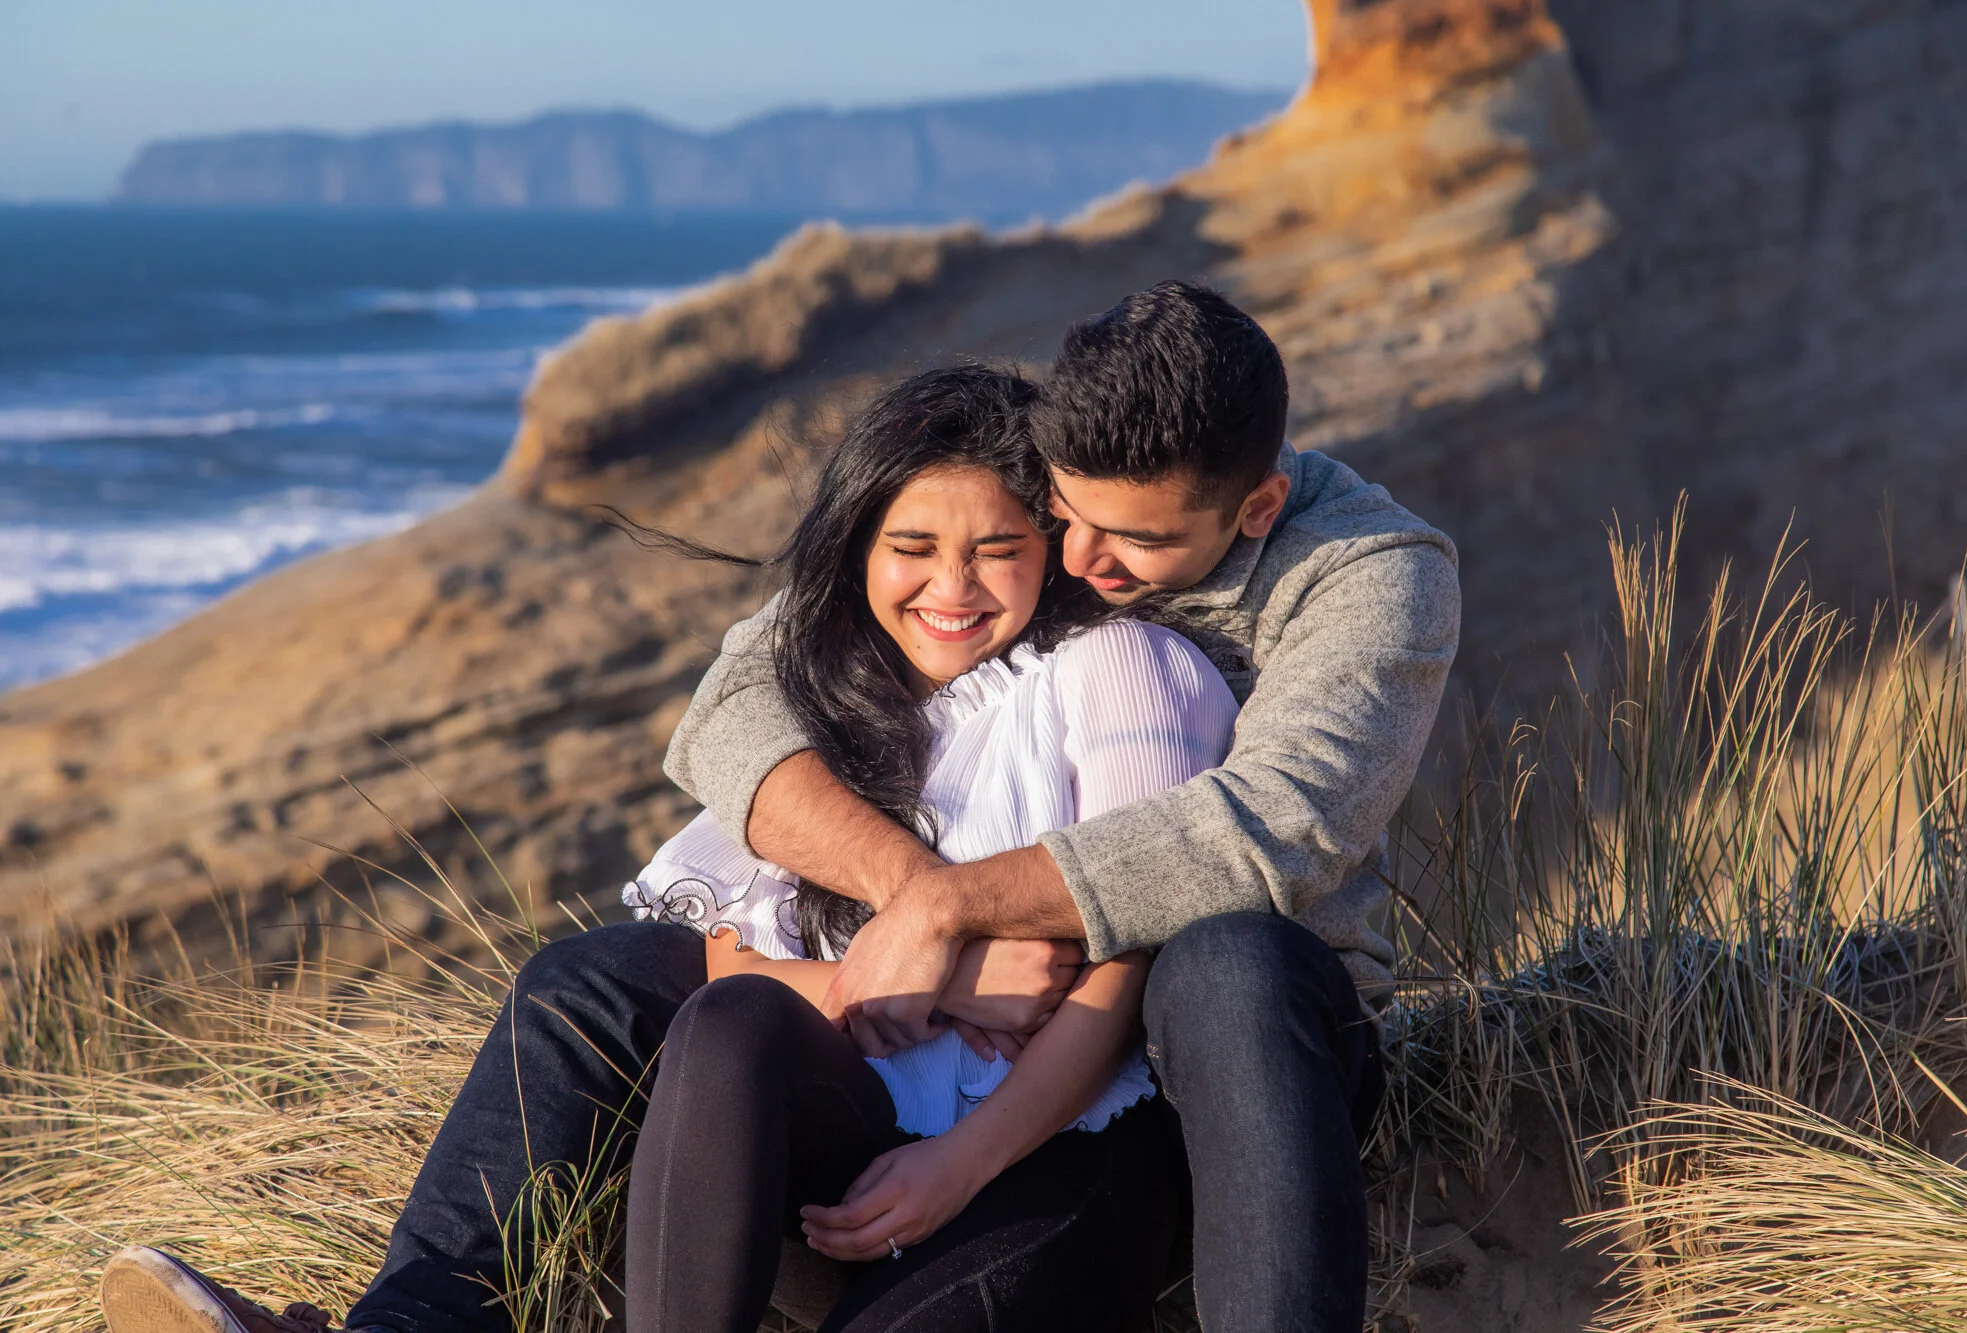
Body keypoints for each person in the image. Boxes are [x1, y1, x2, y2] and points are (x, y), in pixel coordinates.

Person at [98, 365, 1236, 1333]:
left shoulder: (1121, 669)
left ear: (1055, 544)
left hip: (1042, 1147)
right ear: (858, 548)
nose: (952, 586)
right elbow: (725, 952)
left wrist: (961, 1159)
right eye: (912, 547)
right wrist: (941, 967)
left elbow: (1122, 973)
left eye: (998, 548)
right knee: (649, 997)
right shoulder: (837, 691)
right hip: (857, 1114)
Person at [664, 280, 1461, 1332]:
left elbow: (1273, 826)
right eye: (1065, 515)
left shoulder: (1370, 573)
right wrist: (919, 902)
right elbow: (731, 703)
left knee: (1227, 961)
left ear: (1257, 509)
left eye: (1131, 538)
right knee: (605, 981)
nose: (1077, 561)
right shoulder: (1041, 500)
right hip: (962, 1027)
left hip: (1236, 1045)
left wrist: (946, 911)